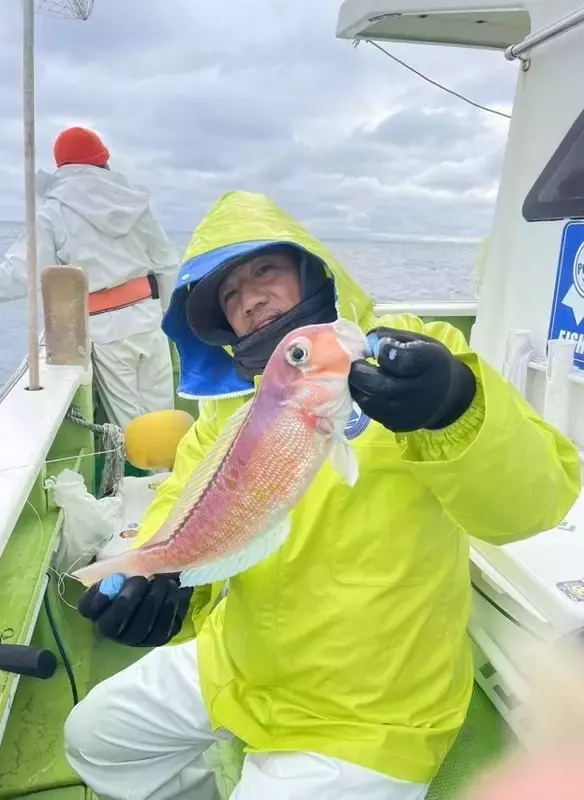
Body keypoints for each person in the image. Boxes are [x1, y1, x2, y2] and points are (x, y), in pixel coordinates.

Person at [64, 190, 580, 800]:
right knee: (95, 736)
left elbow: (532, 506)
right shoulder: (229, 407)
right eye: (228, 295)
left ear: (310, 268)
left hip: (372, 704)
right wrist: (162, 580)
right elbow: (183, 506)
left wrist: (454, 406)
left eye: (264, 271)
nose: (250, 298)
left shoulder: (416, 350)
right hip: (238, 662)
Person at [0, 126, 180, 428]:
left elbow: (21, 273)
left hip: (105, 326)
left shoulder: (53, 211)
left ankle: (146, 471)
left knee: (129, 421)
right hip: (149, 317)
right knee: (162, 410)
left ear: (62, 167)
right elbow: (166, 262)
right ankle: (172, 471)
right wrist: (167, 312)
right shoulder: (134, 203)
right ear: (102, 160)